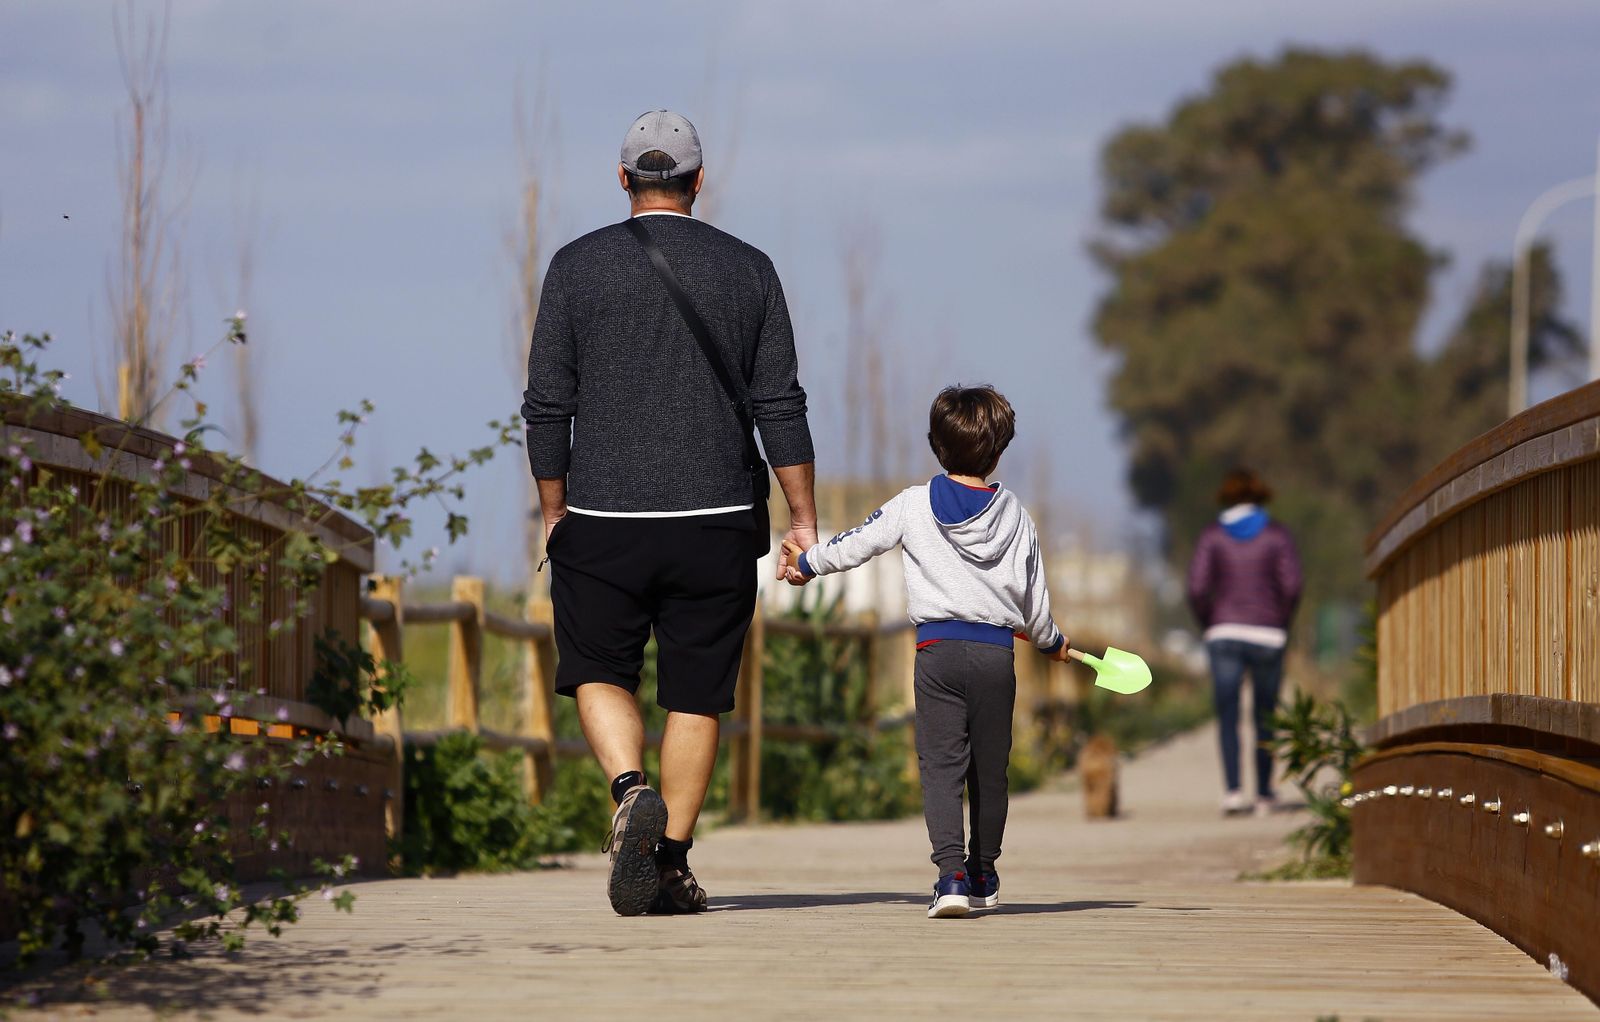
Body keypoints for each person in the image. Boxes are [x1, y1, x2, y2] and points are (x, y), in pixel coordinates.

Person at [521, 110, 818, 916]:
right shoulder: (750, 269)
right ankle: (672, 864)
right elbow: (779, 405)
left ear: (623, 180)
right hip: (717, 516)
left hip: (603, 515)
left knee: (596, 670)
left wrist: (554, 510)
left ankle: (628, 789)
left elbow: (548, 407)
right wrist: (802, 519)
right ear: (698, 181)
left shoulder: (574, 268)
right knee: (696, 693)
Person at [784, 385, 1069, 919]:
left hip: (936, 653)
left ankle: (951, 876)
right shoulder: (1019, 519)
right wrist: (1051, 640)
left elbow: (858, 543)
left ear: (935, 446)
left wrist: (807, 563)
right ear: (1000, 448)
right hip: (994, 657)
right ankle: (985, 873)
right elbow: (1035, 605)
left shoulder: (912, 505)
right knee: (990, 770)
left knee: (941, 767)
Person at [1185, 468, 1303, 817]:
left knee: (1228, 714)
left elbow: (1196, 587)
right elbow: (1292, 585)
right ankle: (1266, 793)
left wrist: (1210, 621)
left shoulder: (1213, 536)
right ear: (1261, 497)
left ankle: (1234, 792)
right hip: (1268, 634)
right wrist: (1280, 619)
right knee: (1266, 715)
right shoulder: (1277, 535)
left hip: (1223, 633)